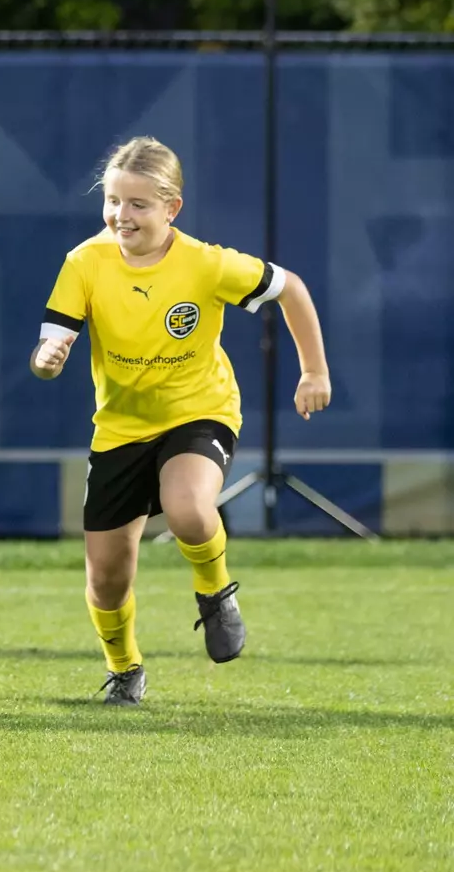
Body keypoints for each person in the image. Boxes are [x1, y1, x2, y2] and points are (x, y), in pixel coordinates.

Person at [31, 136, 332, 706]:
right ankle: (126, 670)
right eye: (114, 201)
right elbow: (51, 345)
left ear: (172, 209)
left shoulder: (206, 263)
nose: (122, 215)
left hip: (200, 412)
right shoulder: (84, 263)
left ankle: (216, 593)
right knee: (107, 579)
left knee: (189, 509)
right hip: (120, 430)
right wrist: (48, 360)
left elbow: (290, 288)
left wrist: (313, 371)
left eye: (139, 204)